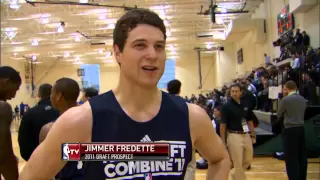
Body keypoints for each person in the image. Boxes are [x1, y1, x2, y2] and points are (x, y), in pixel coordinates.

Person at [20, 9, 230, 180]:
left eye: (159, 46)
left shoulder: (190, 117)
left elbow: (219, 159)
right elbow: (32, 176)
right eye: (140, 45)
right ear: (117, 52)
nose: (152, 55)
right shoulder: (83, 121)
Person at [39, 78, 83, 180]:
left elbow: (45, 170)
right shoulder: (93, 121)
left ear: (58, 96)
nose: (50, 97)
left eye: (52, 93)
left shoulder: (49, 129)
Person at [220, 84, 256, 180]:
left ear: (241, 92)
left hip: (246, 134)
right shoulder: (226, 106)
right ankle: (238, 176)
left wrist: (253, 134)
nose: (234, 93)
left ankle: (234, 174)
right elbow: (223, 125)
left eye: (236, 91)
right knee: (237, 162)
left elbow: (249, 120)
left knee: (248, 159)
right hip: (234, 135)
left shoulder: (245, 105)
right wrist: (223, 140)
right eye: (232, 91)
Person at [18, 83, 60, 161]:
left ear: (39, 94)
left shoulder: (29, 113)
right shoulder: (63, 111)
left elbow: (23, 140)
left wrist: (31, 159)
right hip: (61, 161)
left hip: (37, 159)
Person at [277, 80, 307, 180]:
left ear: (287, 88)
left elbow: (279, 114)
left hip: (290, 130)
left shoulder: (285, 100)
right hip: (301, 129)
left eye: (284, 88)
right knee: (301, 156)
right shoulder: (303, 99)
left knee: (290, 157)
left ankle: (293, 178)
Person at [167, 79, 196, 180]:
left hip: (166, 139)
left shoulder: (160, 103)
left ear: (167, 89)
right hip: (185, 138)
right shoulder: (187, 104)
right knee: (189, 166)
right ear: (180, 90)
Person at [0, 66, 21, 180]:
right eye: (15, 89)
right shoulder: (2, 107)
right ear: (6, 82)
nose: (13, 96)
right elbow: (4, 153)